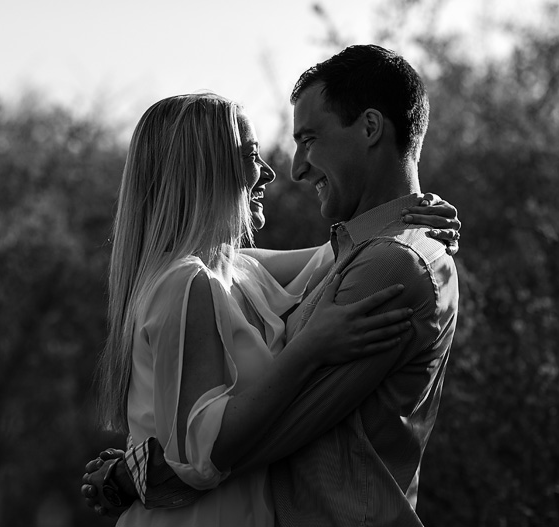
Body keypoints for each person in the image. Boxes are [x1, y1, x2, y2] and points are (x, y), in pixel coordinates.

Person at [83, 44, 460, 526]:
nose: (284, 170)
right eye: (252, 156)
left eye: (310, 139)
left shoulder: (242, 271)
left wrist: (138, 474)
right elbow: (209, 449)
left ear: (370, 128)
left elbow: (339, 253)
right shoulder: (193, 280)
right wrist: (311, 347)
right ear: (206, 170)